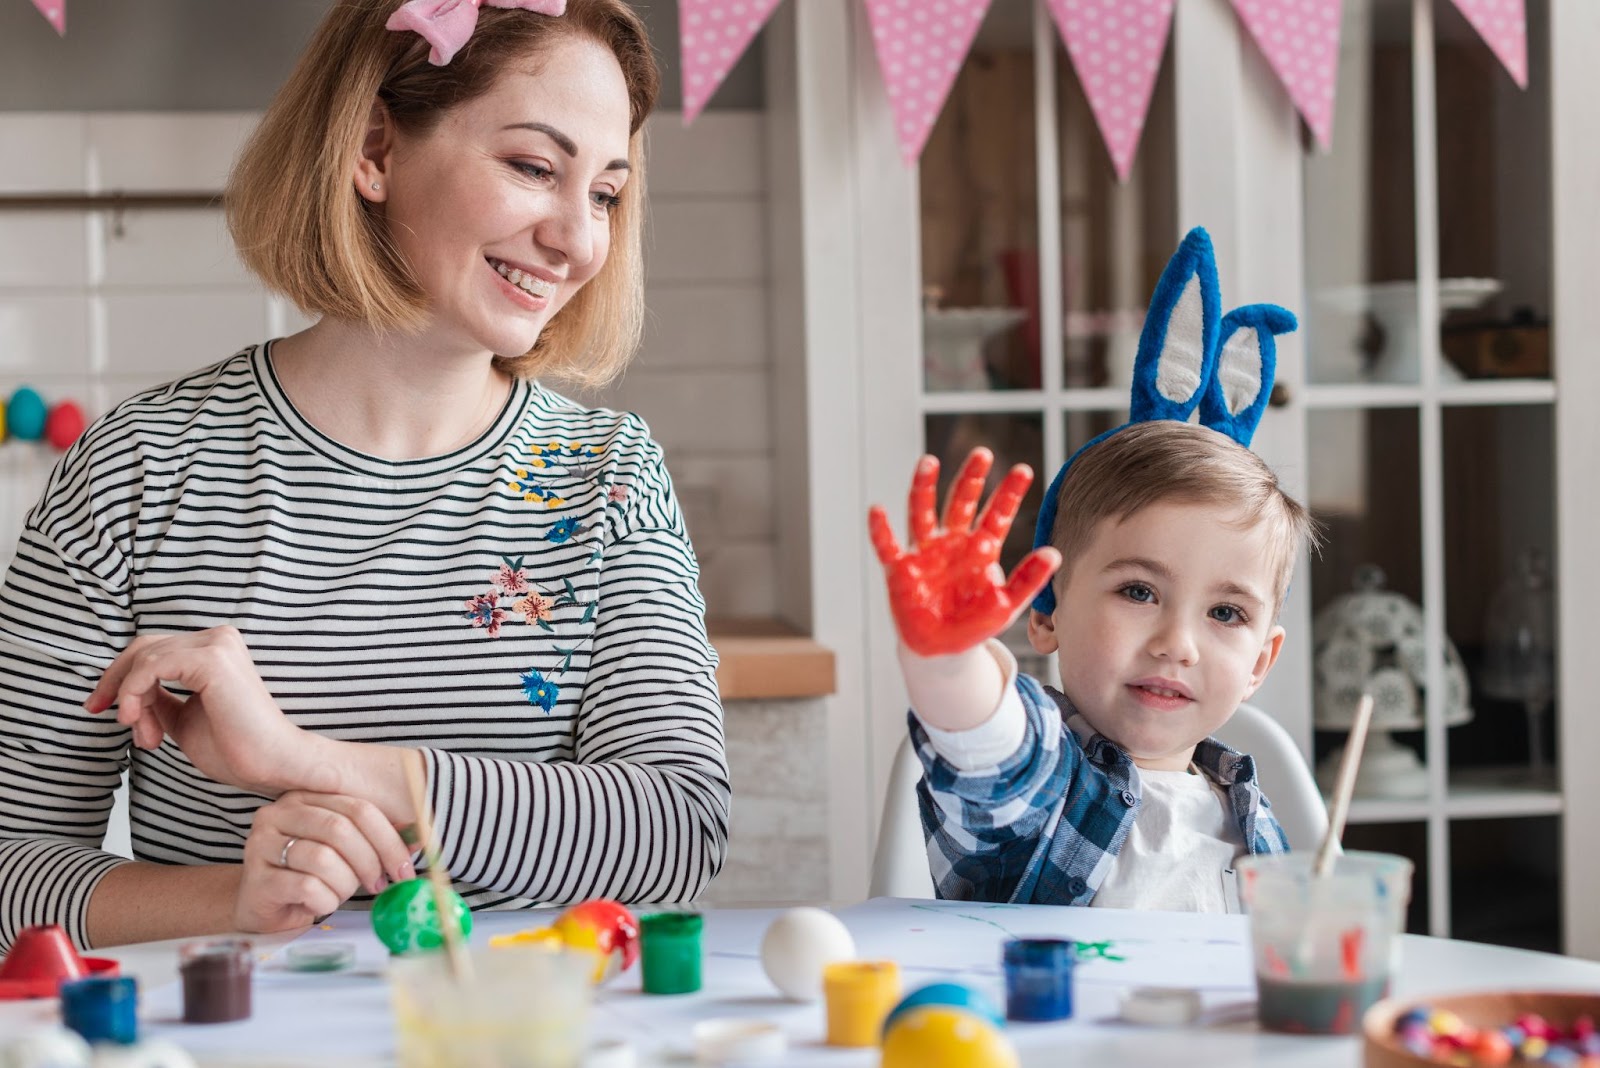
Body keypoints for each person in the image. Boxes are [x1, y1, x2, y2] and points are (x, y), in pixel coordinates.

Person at [0, 0, 729, 953]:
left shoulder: (610, 477)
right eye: (535, 168)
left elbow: (678, 829)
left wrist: (304, 762)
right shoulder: (137, 470)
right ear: (375, 149)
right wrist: (236, 901)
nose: (579, 241)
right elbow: (12, 862)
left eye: (604, 193)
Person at [868, 228, 1316, 910]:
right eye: (1139, 591)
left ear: (1261, 661)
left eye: (1227, 613)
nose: (1177, 643)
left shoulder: (1250, 815)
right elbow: (986, 747)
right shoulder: (1047, 785)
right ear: (1046, 614)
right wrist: (950, 659)